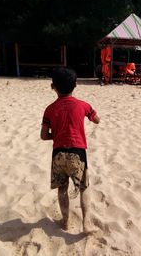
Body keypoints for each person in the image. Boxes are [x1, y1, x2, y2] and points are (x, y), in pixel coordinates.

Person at [40, 67, 100, 233]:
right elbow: (97, 120)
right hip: (78, 152)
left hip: (58, 153)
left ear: (53, 86)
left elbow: (43, 136)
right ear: (75, 85)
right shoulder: (82, 105)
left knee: (62, 188)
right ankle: (86, 223)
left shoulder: (49, 109)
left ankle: (65, 220)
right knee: (84, 187)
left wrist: (58, 134)